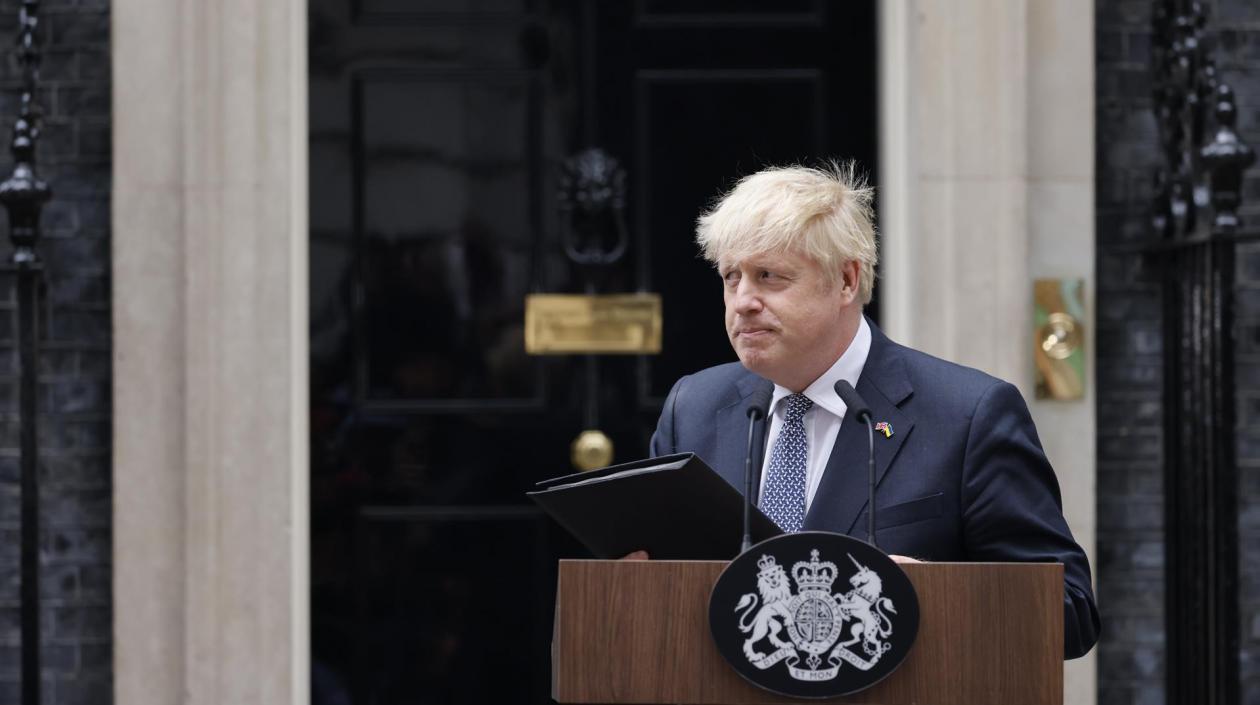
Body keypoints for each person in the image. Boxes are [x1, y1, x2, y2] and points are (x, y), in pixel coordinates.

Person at [647, 163, 1100, 659]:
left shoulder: (969, 415)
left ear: (846, 280)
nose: (743, 302)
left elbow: (1071, 612)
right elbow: (658, 578)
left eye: (770, 277)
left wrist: (935, 595)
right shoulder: (693, 407)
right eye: (731, 277)